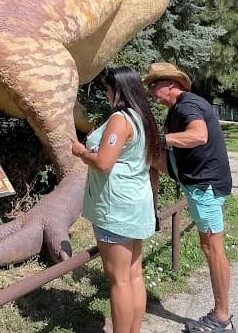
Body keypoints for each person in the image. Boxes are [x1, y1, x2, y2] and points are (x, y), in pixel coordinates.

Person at [144, 62, 235, 333]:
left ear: (171, 84)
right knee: (149, 158)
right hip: (195, 180)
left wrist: (165, 140)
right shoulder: (177, 109)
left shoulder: (186, 106)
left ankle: (222, 318)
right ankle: (151, 210)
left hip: (204, 186)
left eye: (153, 85)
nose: (150, 91)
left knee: (212, 249)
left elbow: (199, 135)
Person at [71, 65, 160, 333]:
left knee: (119, 279)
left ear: (117, 90)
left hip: (115, 208)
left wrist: (79, 152)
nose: (107, 94)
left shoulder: (121, 119)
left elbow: (103, 162)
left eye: (108, 89)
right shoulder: (142, 118)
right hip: (136, 205)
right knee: (133, 274)